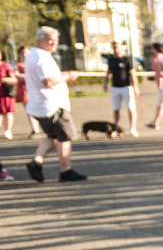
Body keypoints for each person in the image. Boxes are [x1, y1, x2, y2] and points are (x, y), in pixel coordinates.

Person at [24, 26, 85, 182]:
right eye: (50, 39)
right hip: (52, 106)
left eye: (55, 40)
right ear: (40, 40)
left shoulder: (32, 55)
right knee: (65, 136)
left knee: (52, 136)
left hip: (39, 106)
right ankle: (65, 171)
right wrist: (67, 76)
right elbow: (48, 81)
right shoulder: (42, 57)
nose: (53, 43)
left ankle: (37, 162)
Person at [100, 41, 140, 137]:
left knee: (130, 108)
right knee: (116, 109)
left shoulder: (126, 59)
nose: (116, 49)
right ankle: (116, 128)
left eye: (117, 47)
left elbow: (132, 73)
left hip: (126, 87)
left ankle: (132, 128)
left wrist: (136, 87)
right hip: (115, 88)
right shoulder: (111, 60)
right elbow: (109, 72)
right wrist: (105, 83)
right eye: (114, 48)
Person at [0, 55, 15, 138]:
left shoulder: (5, 66)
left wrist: (2, 80)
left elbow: (14, 79)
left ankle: (8, 130)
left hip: (5, 94)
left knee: (8, 112)